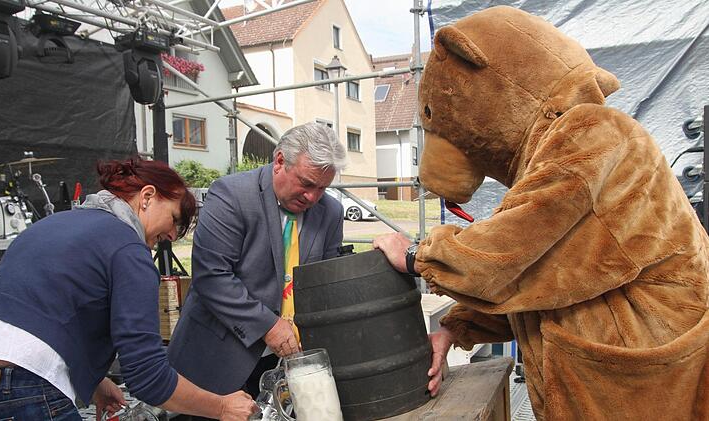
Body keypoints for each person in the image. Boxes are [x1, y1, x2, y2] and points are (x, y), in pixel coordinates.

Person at [374, 6, 708, 421]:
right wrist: (453, 329)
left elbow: (507, 255)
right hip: (604, 388)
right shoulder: (552, 158)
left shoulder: (592, 131)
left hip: (643, 390)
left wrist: (415, 256)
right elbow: (543, 274)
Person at [0, 158, 257, 421]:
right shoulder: (128, 248)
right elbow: (148, 377)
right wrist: (221, 407)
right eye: (175, 219)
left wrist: (92, 380)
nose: (170, 235)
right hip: (26, 385)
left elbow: (40, 316)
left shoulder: (48, 225)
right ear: (148, 196)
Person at [167, 122, 347, 416]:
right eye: (306, 183)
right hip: (217, 362)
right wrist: (268, 326)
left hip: (285, 366)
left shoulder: (330, 212)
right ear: (279, 162)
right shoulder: (231, 195)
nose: (313, 197)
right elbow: (212, 276)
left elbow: (324, 283)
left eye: (322, 188)